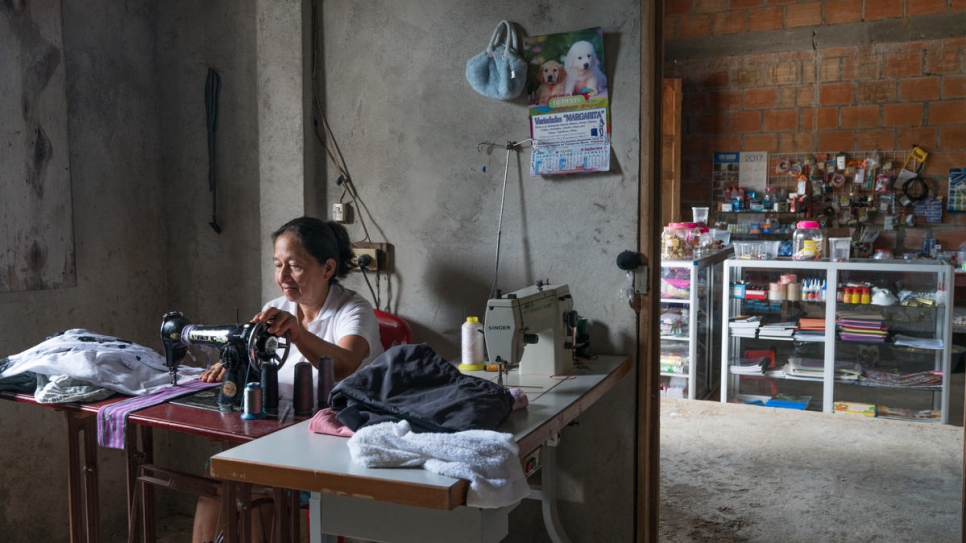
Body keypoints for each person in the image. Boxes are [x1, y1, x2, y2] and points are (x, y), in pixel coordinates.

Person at [192, 216, 384, 543]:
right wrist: (233, 364)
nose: (282, 277)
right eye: (277, 264)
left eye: (294, 266)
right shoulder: (276, 308)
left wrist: (297, 334)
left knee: (253, 485)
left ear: (327, 268)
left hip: (335, 443)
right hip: (282, 434)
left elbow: (345, 366)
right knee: (217, 474)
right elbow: (258, 368)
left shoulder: (353, 310)